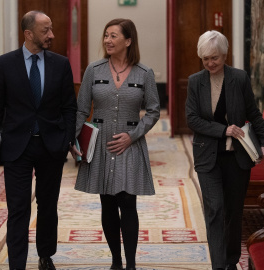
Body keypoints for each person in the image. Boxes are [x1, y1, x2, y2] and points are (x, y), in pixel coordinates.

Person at [0, 11, 77, 270]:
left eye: (51, 29)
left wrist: (67, 139)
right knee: (18, 208)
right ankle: (17, 265)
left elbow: (70, 106)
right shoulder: (5, 64)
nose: (52, 35)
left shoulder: (60, 63)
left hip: (51, 146)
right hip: (17, 147)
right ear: (28, 34)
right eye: (45, 30)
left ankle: (46, 256)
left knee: (48, 205)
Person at [70, 18, 160, 270]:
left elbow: (153, 111)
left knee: (127, 202)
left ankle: (130, 264)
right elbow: (81, 110)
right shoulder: (93, 70)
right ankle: (116, 262)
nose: (107, 40)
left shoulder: (145, 73)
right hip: (100, 144)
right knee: (107, 202)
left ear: (128, 41)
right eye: (106, 35)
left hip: (130, 144)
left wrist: (133, 136)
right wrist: (74, 140)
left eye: (113, 36)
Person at [185, 30, 264, 270]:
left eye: (215, 58)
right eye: (205, 59)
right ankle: (218, 265)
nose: (210, 63)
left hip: (237, 157)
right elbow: (192, 119)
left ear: (225, 55)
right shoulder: (195, 81)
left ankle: (231, 262)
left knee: (233, 211)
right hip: (207, 156)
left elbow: (253, 113)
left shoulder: (239, 78)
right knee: (215, 209)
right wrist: (224, 131)